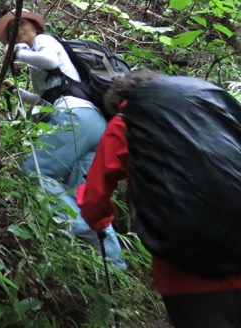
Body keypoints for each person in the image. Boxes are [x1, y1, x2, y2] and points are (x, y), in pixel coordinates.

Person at [78, 71, 241, 327]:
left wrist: (100, 222)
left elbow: (94, 200)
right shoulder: (211, 103)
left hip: (183, 271)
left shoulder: (127, 121)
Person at [0, 9, 125, 268]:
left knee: (35, 173)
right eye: (11, 30)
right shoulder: (40, 62)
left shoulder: (44, 42)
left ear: (35, 25)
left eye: (20, 24)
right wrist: (16, 90)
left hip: (73, 118)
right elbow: (45, 100)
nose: (16, 31)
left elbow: (50, 61)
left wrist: (18, 52)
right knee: (80, 193)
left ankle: (73, 231)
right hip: (91, 122)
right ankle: (113, 263)